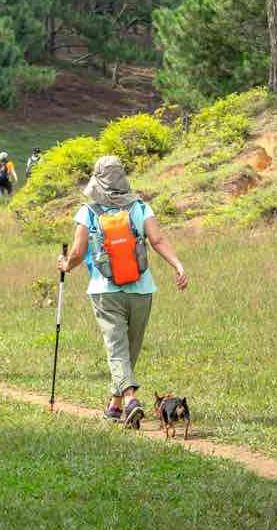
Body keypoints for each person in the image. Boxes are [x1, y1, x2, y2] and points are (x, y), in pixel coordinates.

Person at [57, 155, 188, 425]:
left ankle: (130, 400)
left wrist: (66, 265)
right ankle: (115, 407)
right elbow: (158, 239)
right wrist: (178, 265)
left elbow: (79, 251)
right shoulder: (140, 207)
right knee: (129, 349)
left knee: (117, 349)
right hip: (141, 289)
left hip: (105, 291)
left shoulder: (88, 211)